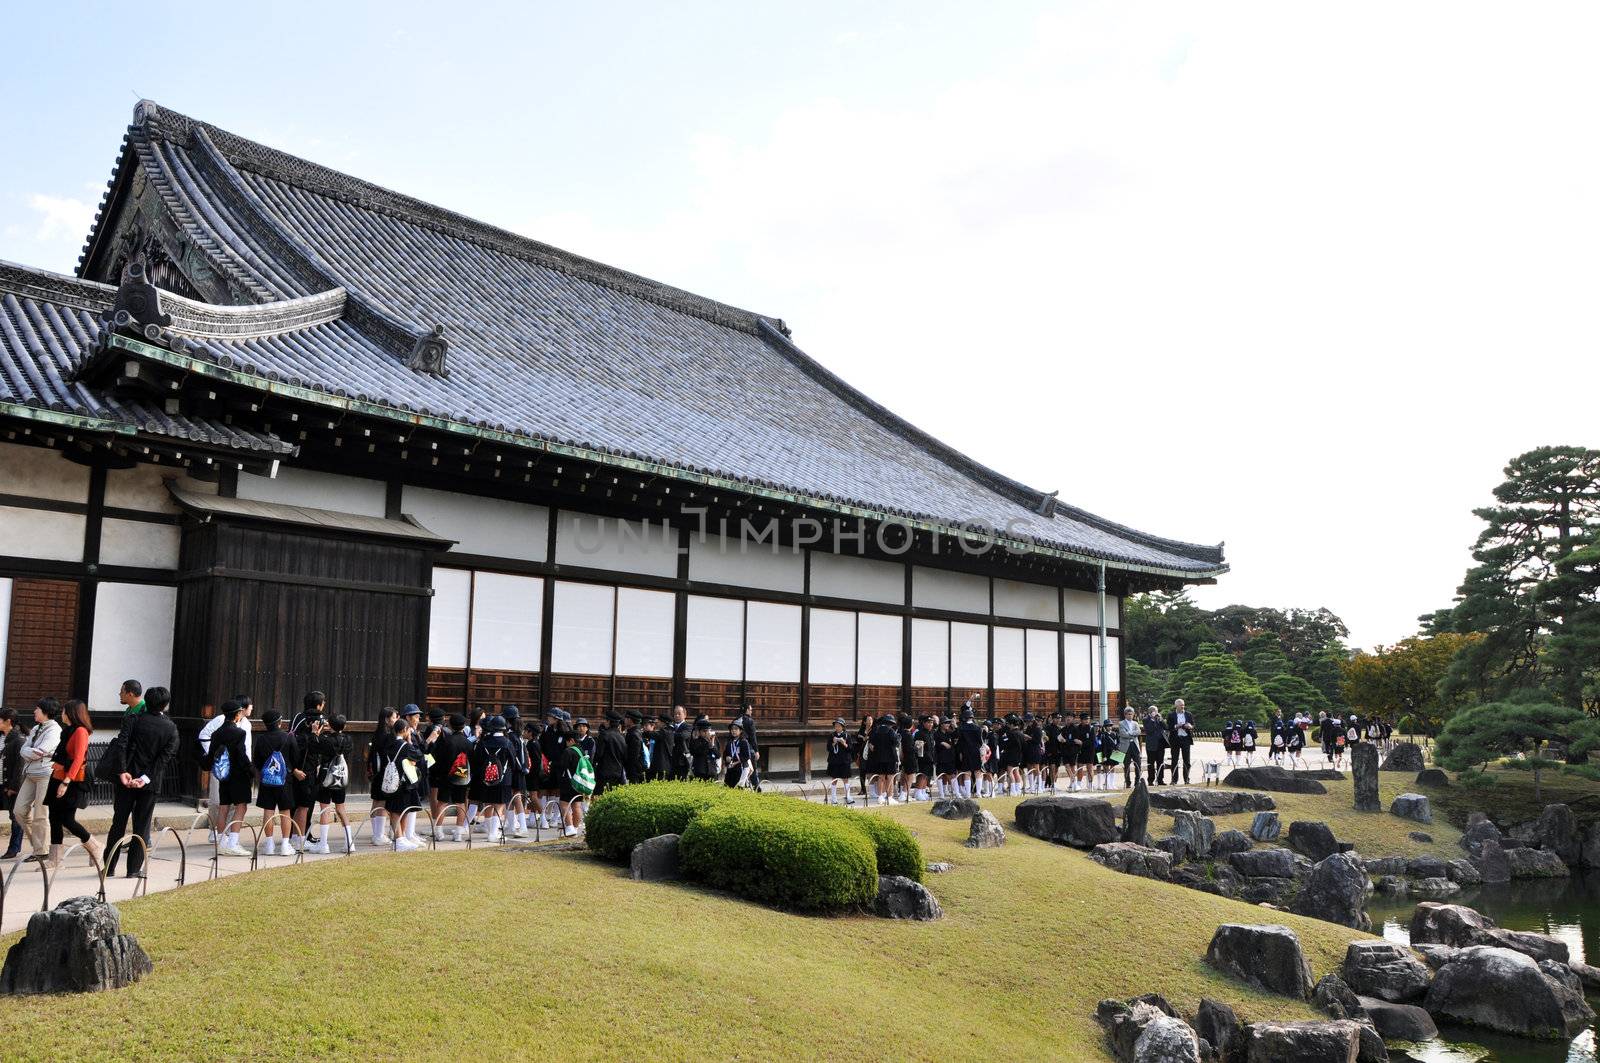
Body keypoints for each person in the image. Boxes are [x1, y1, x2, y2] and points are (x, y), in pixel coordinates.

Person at [102, 686, 178, 877]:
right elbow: (164, 757)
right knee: (141, 825)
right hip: (149, 783)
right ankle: (133, 869)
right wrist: (144, 779)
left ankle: (109, 867)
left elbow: (121, 745)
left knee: (118, 823)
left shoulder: (133, 720)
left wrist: (123, 771)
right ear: (165, 705)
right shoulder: (170, 728)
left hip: (125, 778)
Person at [43, 699, 94, 868]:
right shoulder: (68, 731)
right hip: (57, 775)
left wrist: (66, 782)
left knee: (67, 819)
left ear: (72, 713)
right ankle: (55, 860)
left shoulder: (80, 731)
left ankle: (94, 845)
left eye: (64, 711)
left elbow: (79, 758)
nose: (62, 714)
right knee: (54, 817)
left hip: (71, 780)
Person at [15, 699, 62, 862]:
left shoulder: (55, 730)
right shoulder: (36, 728)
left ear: (46, 711)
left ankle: (41, 850)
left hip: (45, 773)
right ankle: (38, 844)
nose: (34, 711)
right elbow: (24, 749)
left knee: (41, 814)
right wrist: (31, 752)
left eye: (37, 709)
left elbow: (41, 751)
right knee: (19, 811)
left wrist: (31, 752)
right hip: (30, 772)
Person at [207, 699, 254, 858]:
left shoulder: (216, 733)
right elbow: (241, 755)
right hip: (239, 774)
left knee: (224, 806)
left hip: (223, 774)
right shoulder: (239, 733)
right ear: (237, 714)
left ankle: (221, 842)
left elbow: (211, 755)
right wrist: (251, 770)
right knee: (241, 807)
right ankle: (233, 843)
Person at [253, 709, 299, 856]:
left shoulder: (261, 739)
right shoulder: (288, 737)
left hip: (267, 780)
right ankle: (285, 845)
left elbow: (257, 761)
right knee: (285, 812)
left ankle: (269, 844)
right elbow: (295, 758)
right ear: (279, 722)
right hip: (284, 780)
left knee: (268, 810)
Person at [308, 712, 353, 853]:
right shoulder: (348, 740)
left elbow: (314, 747)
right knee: (341, 809)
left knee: (325, 809)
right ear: (344, 726)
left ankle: (324, 845)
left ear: (330, 725)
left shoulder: (326, 739)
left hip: (326, 776)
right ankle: (349, 843)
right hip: (340, 776)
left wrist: (315, 732)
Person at [470, 715, 514, 844]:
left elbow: (476, 761)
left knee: (488, 805)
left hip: (486, 778)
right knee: (499, 806)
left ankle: (490, 832)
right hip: (504, 779)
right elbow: (512, 761)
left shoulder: (483, 742)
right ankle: (493, 834)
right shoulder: (507, 743)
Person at [366, 706, 399, 845]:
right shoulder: (388, 735)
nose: (396, 719)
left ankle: (376, 833)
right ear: (387, 719)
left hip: (377, 771)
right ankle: (379, 835)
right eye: (394, 717)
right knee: (382, 803)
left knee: (376, 802)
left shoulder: (378, 733)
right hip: (384, 772)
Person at [1, 707, 22, 858]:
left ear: (8, 721)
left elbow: (19, 767)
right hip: (2, 782)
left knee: (15, 817)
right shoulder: (3, 737)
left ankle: (14, 848)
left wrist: (13, 787)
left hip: (11, 785)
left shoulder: (18, 740)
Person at [593, 711, 628, 795]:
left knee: (600, 798)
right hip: (618, 773)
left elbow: (598, 754)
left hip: (604, 773)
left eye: (605, 720)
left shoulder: (604, 734)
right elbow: (625, 756)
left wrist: (593, 764)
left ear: (608, 721)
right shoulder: (622, 736)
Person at [824, 718, 854, 804]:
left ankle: (848, 796)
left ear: (843, 727)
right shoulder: (832, 735)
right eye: (836, 726)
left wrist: (844, 743)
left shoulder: (847, 735)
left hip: (845, 760)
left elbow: (850, 749)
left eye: (839, 726)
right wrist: (834, 743)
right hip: (834, 760)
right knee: (834, 778)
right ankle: (833, 798)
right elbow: (828, 748)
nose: (837, 727)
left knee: (846, 779)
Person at [1166, 698, 1195, 785]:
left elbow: (1193, 725)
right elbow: (1169, 727)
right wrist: (1176, 726)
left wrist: (1190, 726)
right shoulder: (1171, 715)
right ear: (1176, 706)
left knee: (1187, 760)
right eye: (1180, 705)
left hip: (1186, 738)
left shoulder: (1188, 714)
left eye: (1183, 705)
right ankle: (1174, 780)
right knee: (1174, 760)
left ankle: (1186, 779)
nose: (1182, 707)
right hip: (1175, 739)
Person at [956, 707, 984, 797]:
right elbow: (981, 742)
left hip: (965, 752)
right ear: (972, 717)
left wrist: (960, 752)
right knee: (977, 772)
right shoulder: (978, 728)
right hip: (975, 751)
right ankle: (978, 792)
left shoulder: (961, 728)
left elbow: (960, 742)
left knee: (967, 772)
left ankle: (968, 793)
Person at [734, 704, 762, 791]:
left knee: (738, 769)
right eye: (750, 710)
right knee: (752, 769)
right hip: (748, 748)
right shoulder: (750, 721)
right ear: (746, 710)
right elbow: (753, 737)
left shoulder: (735, 720)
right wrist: (756, 750)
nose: (751, 711)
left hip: (736, 748)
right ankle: (756, 788)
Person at [722, 720, 754, 788]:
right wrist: (727, 757)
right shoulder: (729, 742)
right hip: (731, 769)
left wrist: (736, 763)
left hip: (741, 769)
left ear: (740, 731)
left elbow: (747, 756)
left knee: (738, 789)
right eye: (732, 729)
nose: (733, 731)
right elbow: (725, 754)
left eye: (736, 729)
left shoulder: (744, 742)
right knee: (727, 788)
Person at [1116, 707, 1142, 788]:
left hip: (1134, 745)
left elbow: (1138, 732)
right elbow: (1123, 734)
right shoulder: (1121, 723)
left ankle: (1137, 781)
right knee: (1126, 765)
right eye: (1128, 714)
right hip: (1125, 746)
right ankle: (1128, 782)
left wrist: (1130, 733)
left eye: (1131, 714)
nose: (1130, 716)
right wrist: (1132, 734)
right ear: (1125, 715)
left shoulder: (1135, 723)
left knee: (1138, 764)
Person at [1142, 704, 1168, 785]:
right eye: (1155, 711)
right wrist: (1152, 720)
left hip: (1160, 744)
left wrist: (1161, 720)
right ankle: (1150, 780)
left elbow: (1166, 727)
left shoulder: (1159, 719)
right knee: (1151, 763)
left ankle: (1160, 780)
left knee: (1160, 762)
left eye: (1157, 711)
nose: (1157, 713)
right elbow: (1149, 730)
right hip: (1151, 745)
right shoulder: (1146, 719)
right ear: (1151, 712)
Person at [667, 705, 691, 781]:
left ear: (685, 715)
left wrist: (670, 734)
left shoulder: (688, 726)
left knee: (681, 782)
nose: (676, 715)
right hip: (671, 760)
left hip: (682, 760)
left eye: (679, 714)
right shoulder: (671, 726)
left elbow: (683, 736)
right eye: (675, 714)